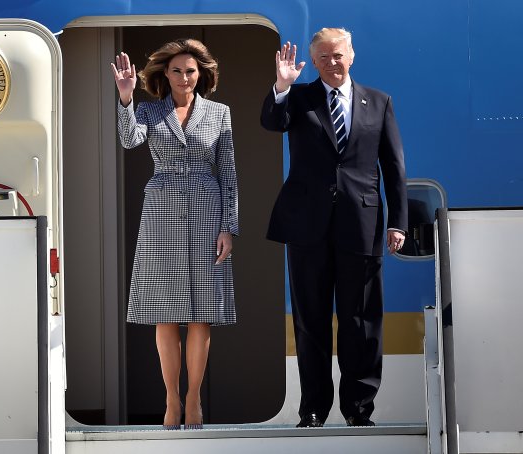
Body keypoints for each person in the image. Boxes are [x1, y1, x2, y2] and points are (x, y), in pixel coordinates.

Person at [260, 28, 407, 427]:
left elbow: (393, 168)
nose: (331, 62)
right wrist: (281, 85)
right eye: (323, 57)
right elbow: (272, 122)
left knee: (361, 320)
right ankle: (313, 409)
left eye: (337, 55)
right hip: (307, 226)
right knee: (311, 320)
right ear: (314, 61)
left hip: (360, 223)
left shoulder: (378, 102)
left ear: (352, 55)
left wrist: (398, 222)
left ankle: (359, 410)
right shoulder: (300, 97)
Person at [111, 39, 238, 430]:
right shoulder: (149, 109)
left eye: (191, 71)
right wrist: (125, 98)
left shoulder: (220, 113)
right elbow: (130, 139)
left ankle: (194, 398)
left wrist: (229, 228)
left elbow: (229, 174)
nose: (185, 77)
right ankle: (171, 399)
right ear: (164, 75)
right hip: (162, 210)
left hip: (206, 209)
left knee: (202, 315)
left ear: (202, 76)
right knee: (164, 313)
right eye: (178, 71)